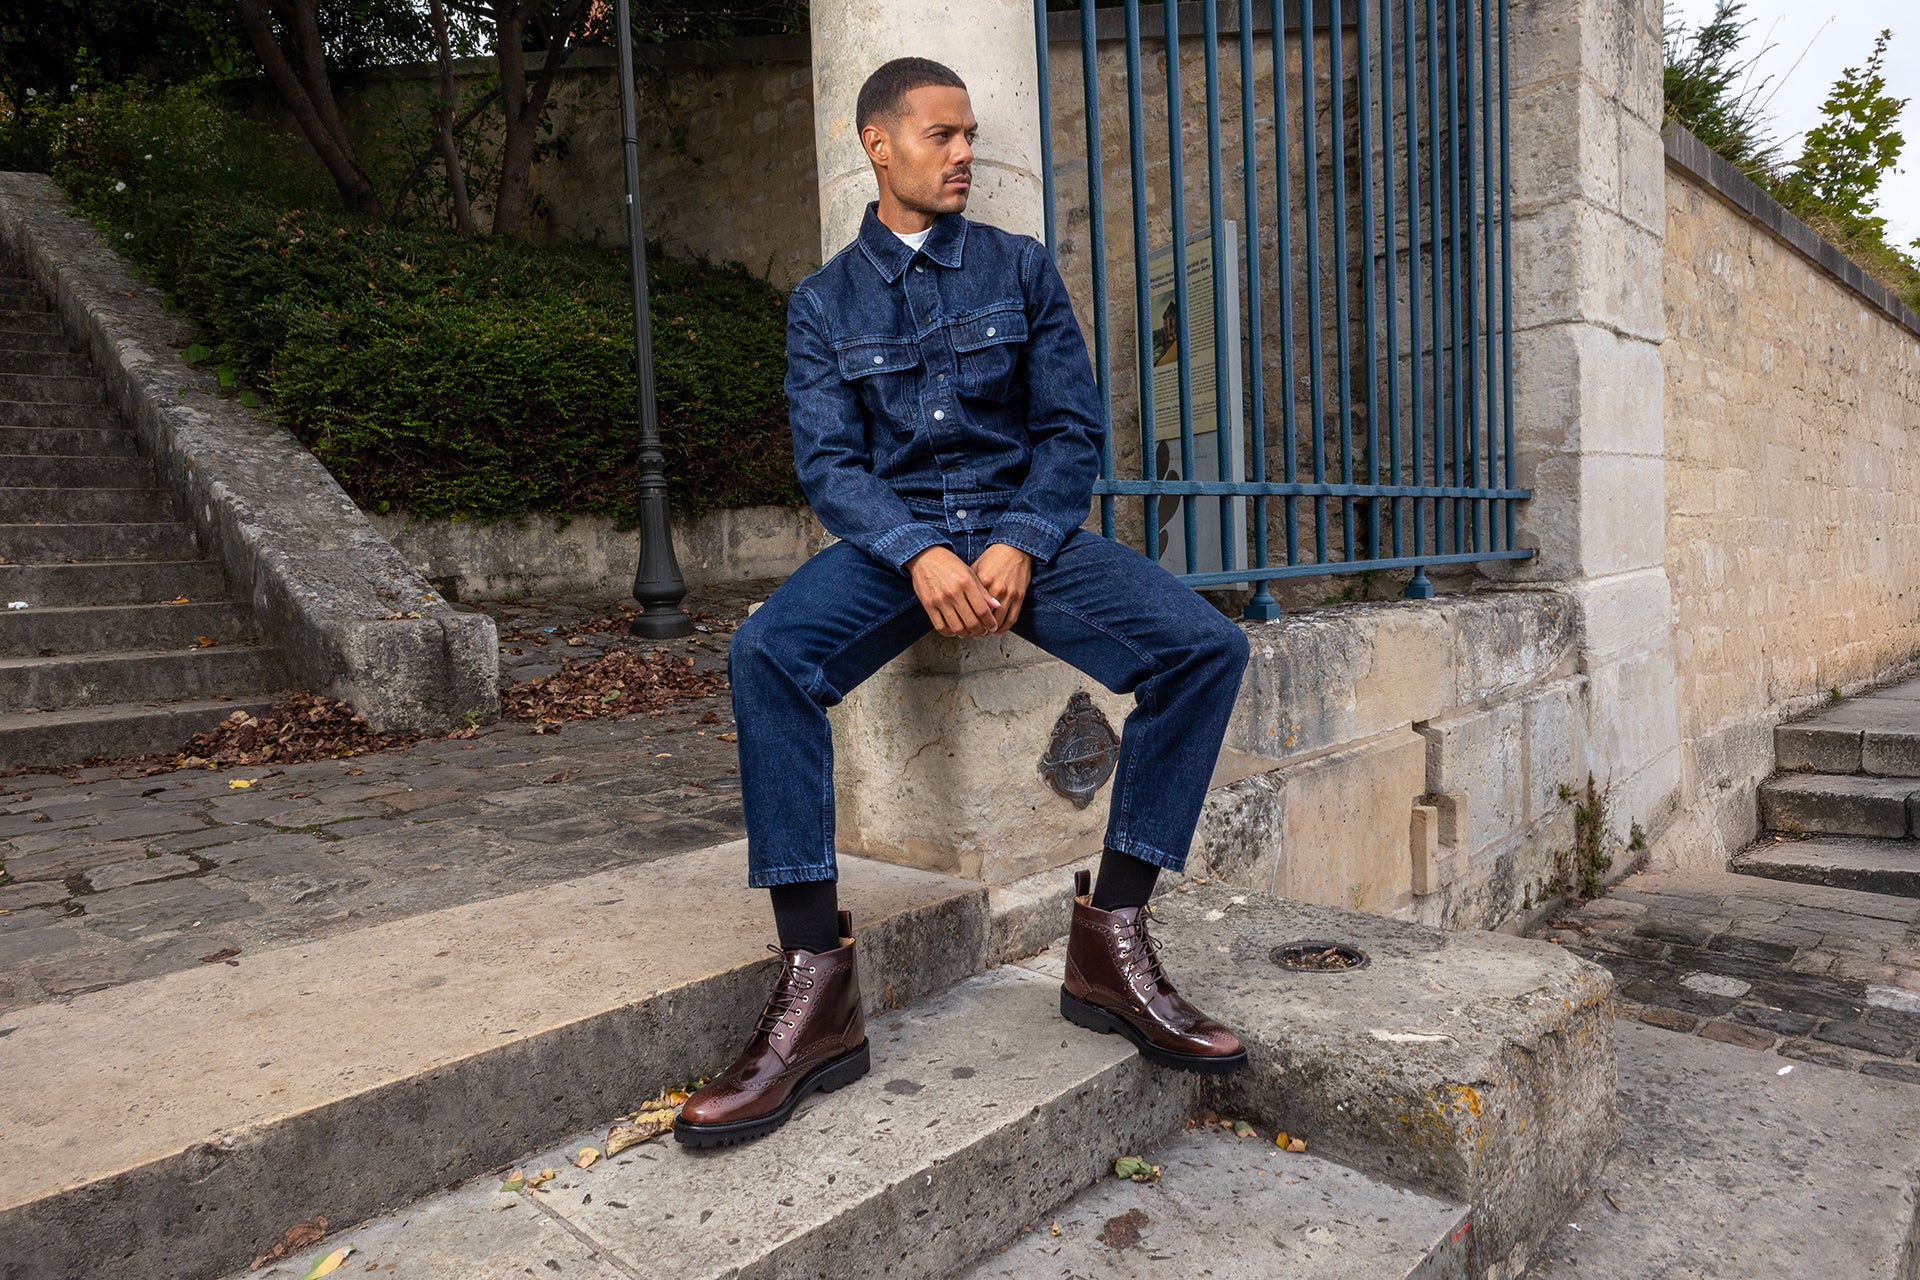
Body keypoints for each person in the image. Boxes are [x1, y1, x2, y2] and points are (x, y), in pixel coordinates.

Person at [674, 56, 1252, 1150]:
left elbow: (1071, 430)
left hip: (1023, 533)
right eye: (941, 135)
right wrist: (916, 553)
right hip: (897, 548)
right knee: (766, 654)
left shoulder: (1019, 267)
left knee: (1206, 648)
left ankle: (1112, 943)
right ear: (878, 144)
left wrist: (1022, 539)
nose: (964, 155)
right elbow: (830, 463)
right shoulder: (822, 302)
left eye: (971, 135)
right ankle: (816, 991)